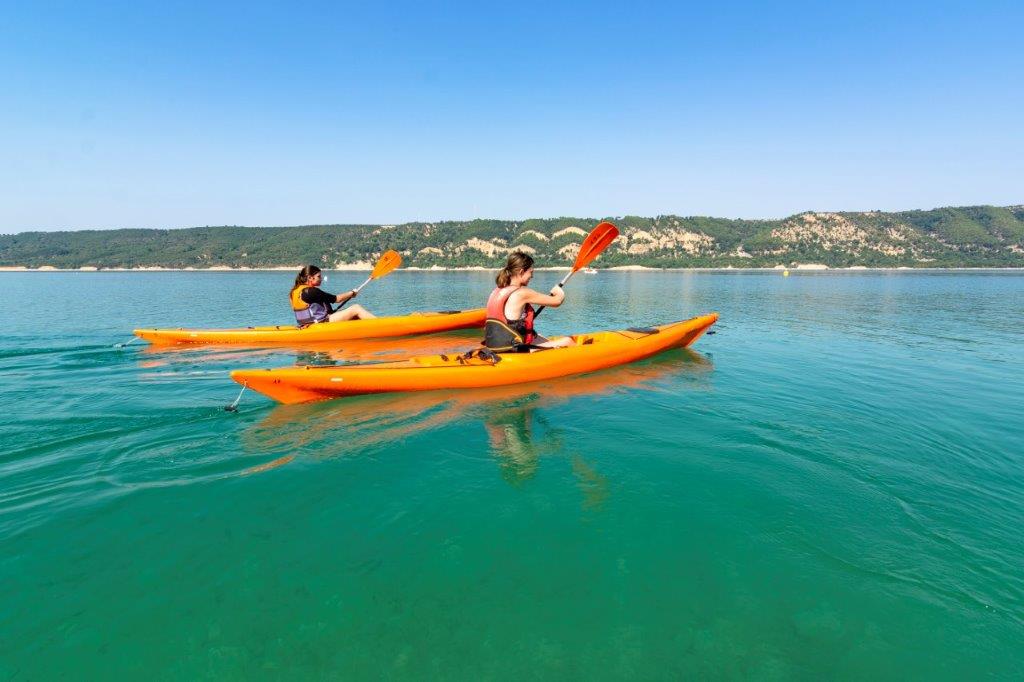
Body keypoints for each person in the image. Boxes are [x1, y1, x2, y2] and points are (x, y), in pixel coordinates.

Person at [483, 251, 575, 351]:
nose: (532, 276)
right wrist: (559, 291)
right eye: (530, 272)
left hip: (495, 346)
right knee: (568, 341)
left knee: (536, 336)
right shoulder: (522, 293)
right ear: (521, 272)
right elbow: (557, 301)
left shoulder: (497, 290)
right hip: (513, 349)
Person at [289, 265, 376, 326]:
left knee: (352, 315)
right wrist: (352, 293)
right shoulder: (311, 291)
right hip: (321, 323)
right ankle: (380, 324)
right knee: (356, 308)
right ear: (310, 278)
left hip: (306, 324)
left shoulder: (293, 292)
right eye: (319, 276)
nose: (321, 279)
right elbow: (337, 299)